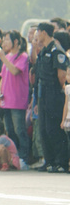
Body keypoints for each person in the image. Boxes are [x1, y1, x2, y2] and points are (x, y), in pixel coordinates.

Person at [32, 22, 68, 173]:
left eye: (37, 32)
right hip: (42, 93)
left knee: (53, 128)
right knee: (44, 129)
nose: (36, 36)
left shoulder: (56, 50)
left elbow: (61, 76)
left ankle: (61, 162)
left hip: (53, 92)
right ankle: (49, 161)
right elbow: (36, 67)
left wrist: (56, 91)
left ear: (44, 33)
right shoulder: (44, 50)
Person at [0, 30, 30, 164]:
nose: (4, 43)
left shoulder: (22, 56)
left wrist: (3, 58)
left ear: (15, 41)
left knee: (19, 129)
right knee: (10, 130)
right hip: (6, 99)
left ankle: (23, 157)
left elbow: (15, 71)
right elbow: (2, 77)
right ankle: (13, 157)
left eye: (7, 40)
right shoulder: (8, 56)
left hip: (17, 98)